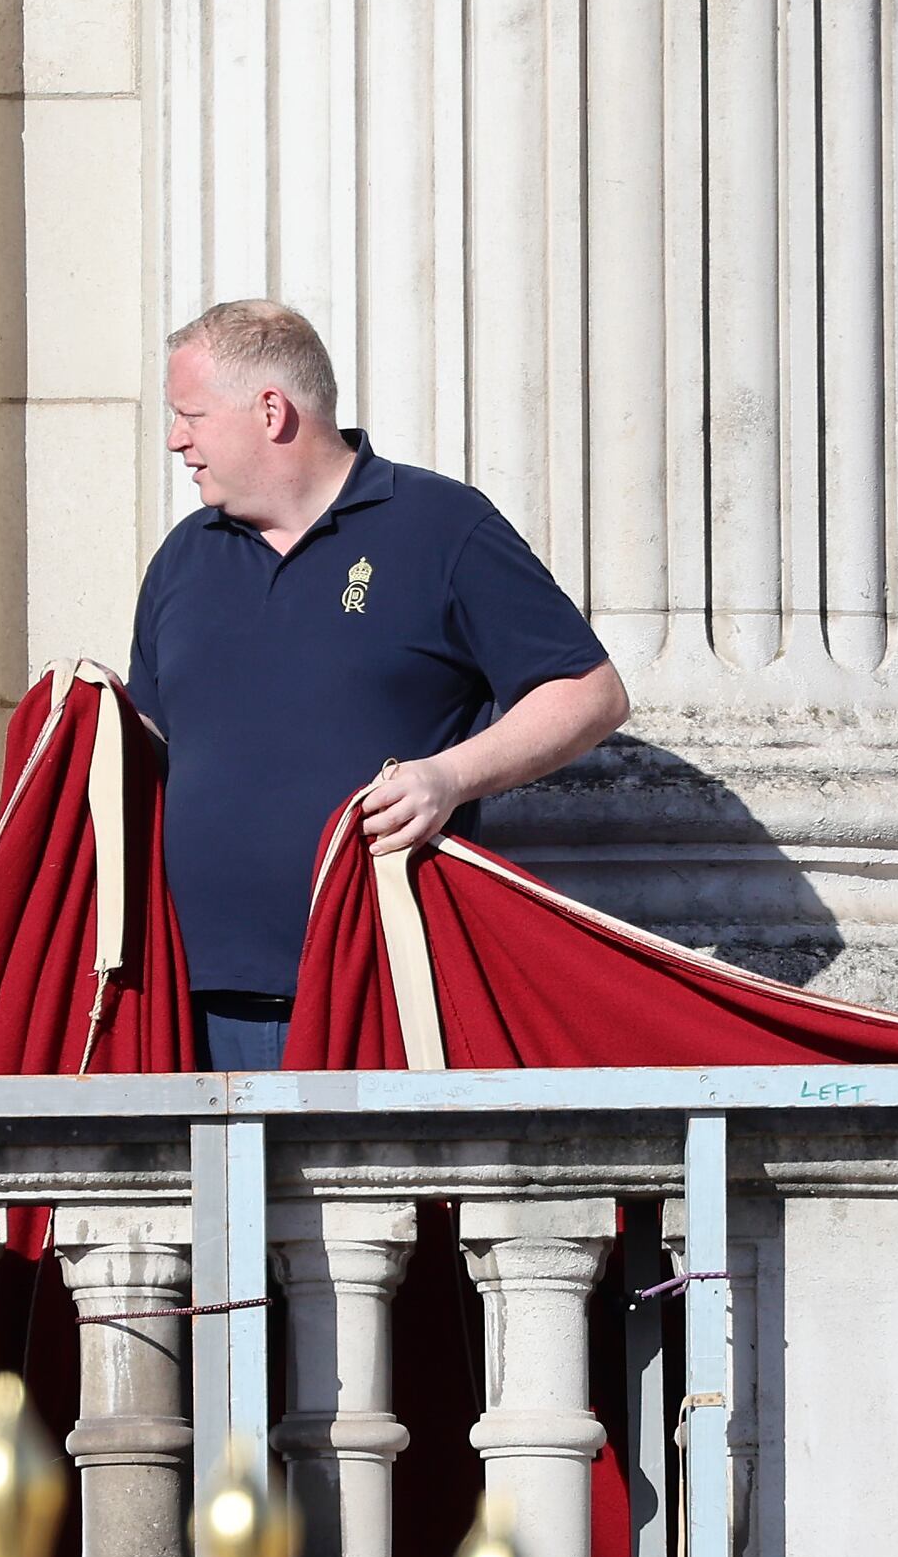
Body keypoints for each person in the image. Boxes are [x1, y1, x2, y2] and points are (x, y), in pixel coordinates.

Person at [125, 300, 627, 1071]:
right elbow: (150, 750)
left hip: (381, 990)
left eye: (190, 414)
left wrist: (449, 776)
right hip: (196, 1008)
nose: (175, 439)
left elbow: (590, 692)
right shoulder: (183, 559)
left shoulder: (441, 526)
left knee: (377, 1199)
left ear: (270, 411)